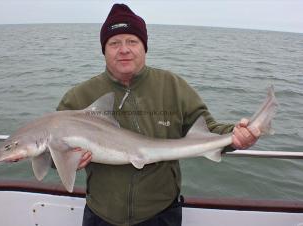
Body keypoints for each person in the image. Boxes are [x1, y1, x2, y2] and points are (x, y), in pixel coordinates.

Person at [57, 4, 260, 226]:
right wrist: (64, 159)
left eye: (132, 41)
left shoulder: (172, 86)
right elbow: (49, 146)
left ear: (144, 47)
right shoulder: (80, 96)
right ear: (104, 50)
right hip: (102, 214)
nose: (124, 49)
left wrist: (235, 136)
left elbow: (207, 129)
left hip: (161, 213)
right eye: (114, 43)